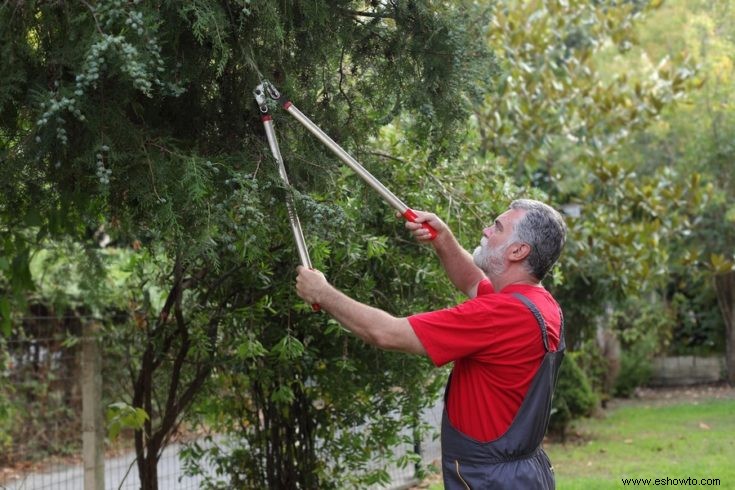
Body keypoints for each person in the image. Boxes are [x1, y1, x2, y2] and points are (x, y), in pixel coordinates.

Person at [295, 199, 567, 489]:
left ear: (518, 250)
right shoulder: (538, 303)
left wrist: (323, 294)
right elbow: (474, 281)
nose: (487, 231)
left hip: (490, 480)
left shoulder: (500, 314)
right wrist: (443, 239)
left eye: (497, 228)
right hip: (522, 473)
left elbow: (386, 333)